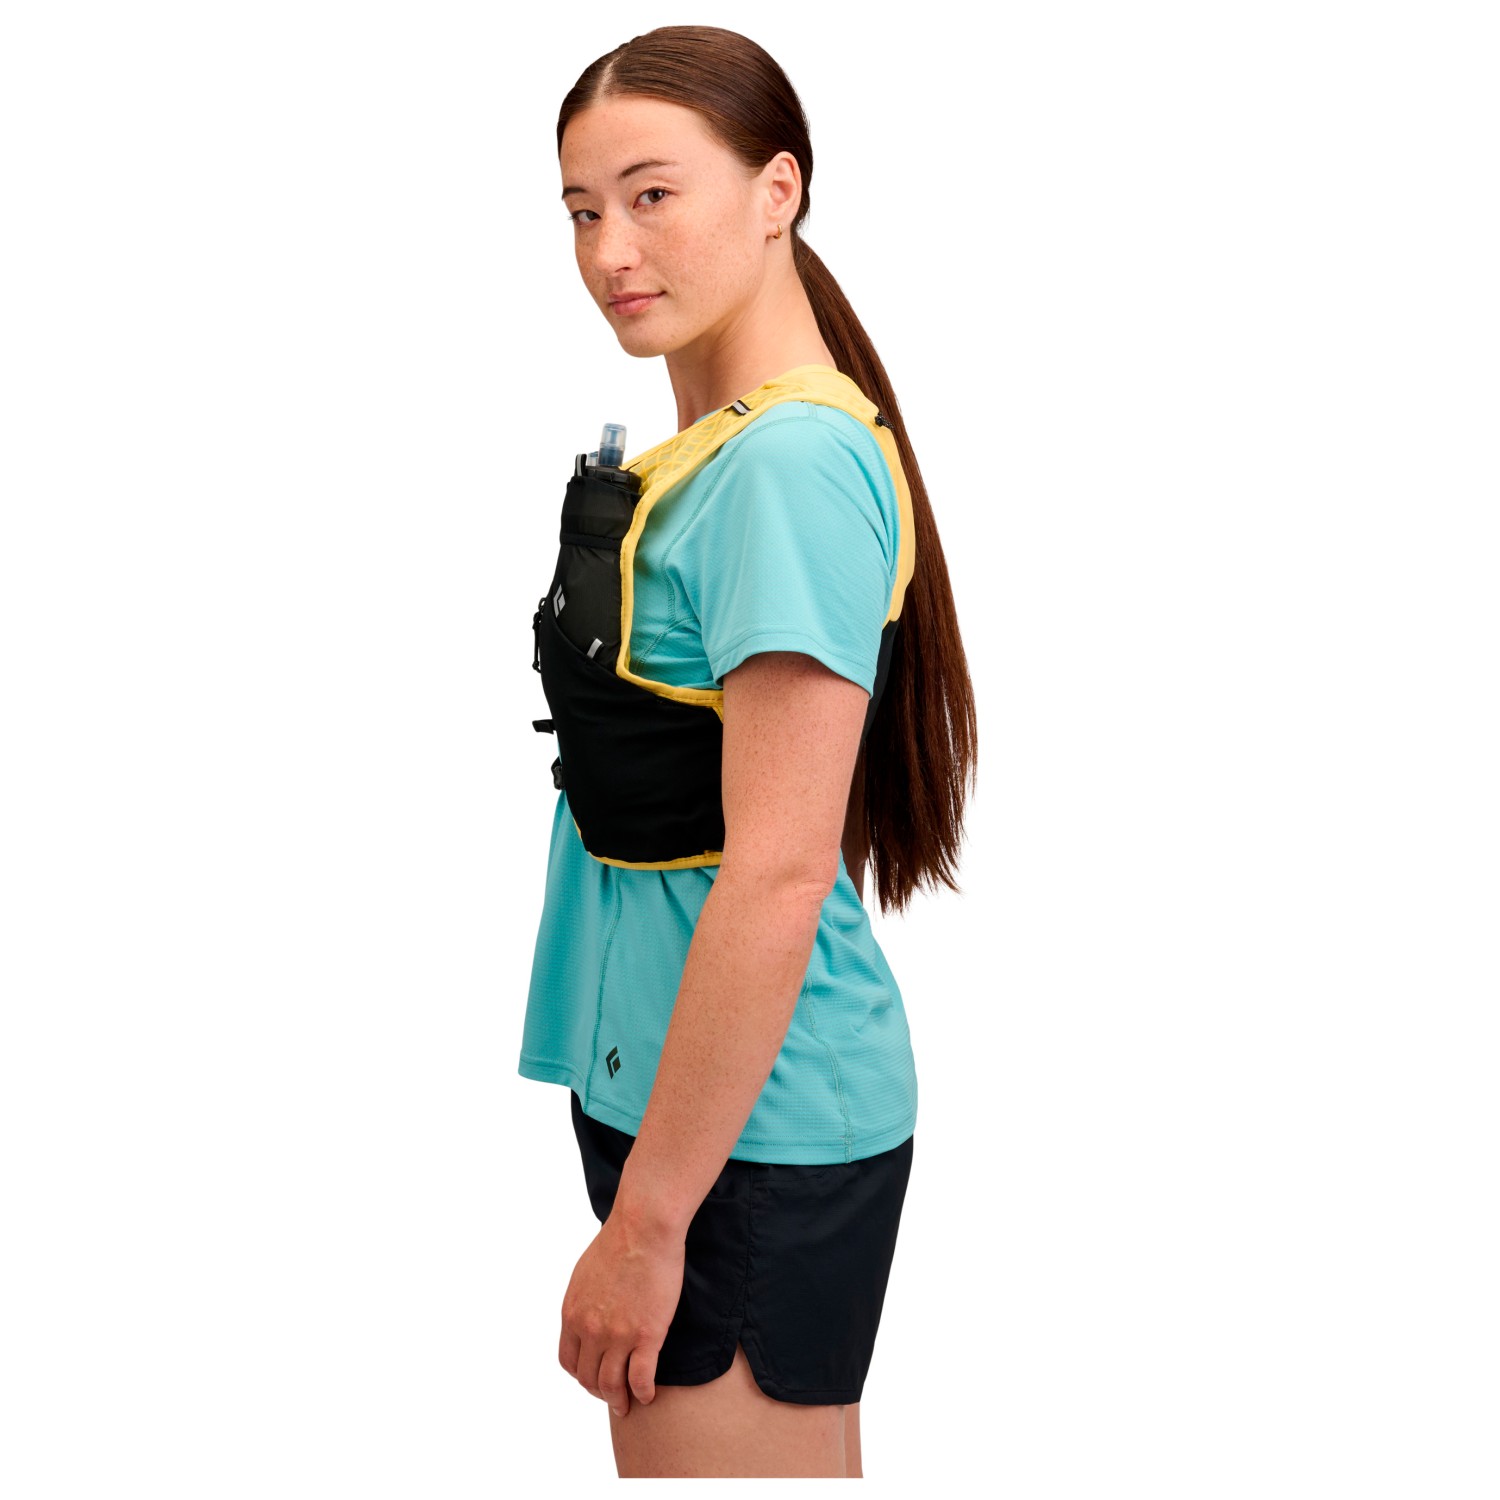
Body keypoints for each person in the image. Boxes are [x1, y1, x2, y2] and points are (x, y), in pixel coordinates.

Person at [519, 25, 977, 1478]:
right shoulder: (721, 446)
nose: (609, 251)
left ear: (779, 190)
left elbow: (778, 875)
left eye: (652, 196)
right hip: (688, 1099)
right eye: (583, 209)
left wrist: (651, 1222)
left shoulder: (785, 466)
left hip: (741, 1134)